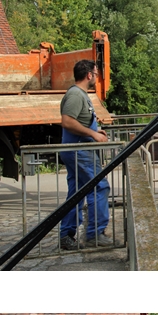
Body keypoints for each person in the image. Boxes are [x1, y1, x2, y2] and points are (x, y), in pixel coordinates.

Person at [59, 60, 111, 250]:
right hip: (79, 151)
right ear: (89, 75)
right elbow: (67, 122)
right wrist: (93, 134)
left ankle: (66, 235)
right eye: (96, 74)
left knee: (77, 193)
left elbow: (79, 121)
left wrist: (97, 130)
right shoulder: (75, 94)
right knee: (100, 187)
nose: (96, 78)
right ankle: (94, 235)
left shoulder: (80, 95)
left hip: (78, 150)